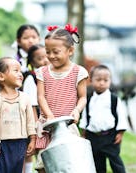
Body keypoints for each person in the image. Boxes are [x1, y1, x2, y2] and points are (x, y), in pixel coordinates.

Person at [35, 24, 88, 172]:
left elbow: (82, 97)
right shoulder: (42, 72)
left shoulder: (79, 72)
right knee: (43, 164)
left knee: (68, 162)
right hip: (47, 126)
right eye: (48, 52)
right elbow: (41, 97)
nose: (51, 56)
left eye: (56, 52)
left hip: (67, 126)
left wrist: (77, 110)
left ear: (70, 51)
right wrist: (49, 116)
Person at [0, 57, 36, 173]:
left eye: (20, 71)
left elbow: (30, 123)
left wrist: (32, 140)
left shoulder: (25, 98)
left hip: (20, 143)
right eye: (16, 70)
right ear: (1, 76)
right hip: (1, 145)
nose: (20, 74)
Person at [79, 64, 128, 173]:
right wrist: (83, 133)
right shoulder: (89, 99)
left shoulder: (114, 99)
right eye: (98, 80)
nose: (102, 83)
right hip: (93, 136)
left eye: (106, 80)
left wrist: (120, 133)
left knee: (115, 160)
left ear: (110, 81)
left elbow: (121, 116)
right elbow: (85, 117)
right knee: (97, 162)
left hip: (110, 136)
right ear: (91, 80)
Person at [22, 44, 49, 173]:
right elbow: (31, 105)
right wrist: (35, 128)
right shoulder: (31, 79)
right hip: (37, 122)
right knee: (36, 153)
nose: (45, 60)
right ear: (32, 62)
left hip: (48, 121)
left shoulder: (49, 76)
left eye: (46, 56)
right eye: (40, 58)